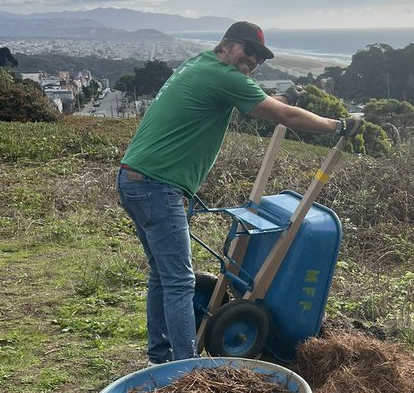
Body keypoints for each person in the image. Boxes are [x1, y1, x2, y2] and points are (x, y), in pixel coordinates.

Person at [117, 20, 359, 365]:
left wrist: (285, 96)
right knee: (179, 280)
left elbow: (260, 101)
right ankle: (184, 370)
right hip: (157, 186)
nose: (253, 60)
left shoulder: (200, 65)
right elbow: (284, 116)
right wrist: (339, 125)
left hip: (134, 179)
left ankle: (160, 357)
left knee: (163, 274)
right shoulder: (225, 78)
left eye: (259, 57)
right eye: (249, 50)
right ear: (227, 44)